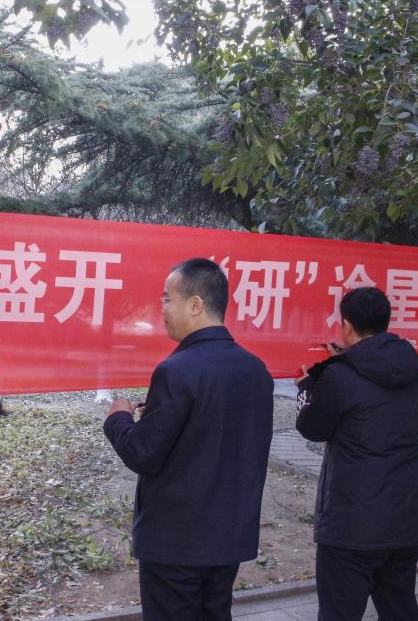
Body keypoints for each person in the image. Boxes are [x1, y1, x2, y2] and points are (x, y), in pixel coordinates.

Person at [103, 257, 274, 621]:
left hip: (176, 543)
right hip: (228, 537)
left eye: (167, 299)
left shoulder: (176, 370)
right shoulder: (256, 369)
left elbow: (142, 453)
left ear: (195, 305)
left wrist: (119, 417)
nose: (162, 308)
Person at [295, 286, 418, 621]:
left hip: (351, 525)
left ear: (346, 326)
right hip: (404, 520)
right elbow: (370, 374)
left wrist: (306, 388)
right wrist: (345, 358)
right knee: (400, 611)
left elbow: (311, 427)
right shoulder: (410, 363)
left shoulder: (340, 376)